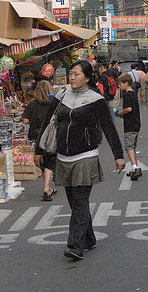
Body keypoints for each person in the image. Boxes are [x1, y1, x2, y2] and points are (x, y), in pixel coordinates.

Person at [35, 61, 125, 261]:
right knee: (75, 203)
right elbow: (47, 124)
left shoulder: (96, 100)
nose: (72, 77)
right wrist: (38, 150)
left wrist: (118, 155)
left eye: (76, 74)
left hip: (86, 157)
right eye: (71, 74)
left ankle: (75, 246)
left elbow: (109, 128)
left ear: (87, 77)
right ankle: (89, 238)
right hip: (63, 157)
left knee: (80, 202)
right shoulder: (61, 97)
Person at [22, 80, 57, 201]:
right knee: (49, 160)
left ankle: (47, 186)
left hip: (36, 134)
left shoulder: (32, 104)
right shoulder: (53, 104)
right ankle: (47, 187)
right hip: (50, 135)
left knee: (42, 160)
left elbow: (25, 120)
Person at [116, 73, 142, 180]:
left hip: (130, 124)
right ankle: (135, 167)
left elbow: (129, 109)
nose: (119, 86)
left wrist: (120, 113)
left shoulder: (126, 95)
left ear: (126, 83)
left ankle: (135, 167)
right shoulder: (133, 94)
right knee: (133, 146)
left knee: (129, 147)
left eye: (120, 84)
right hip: (136, 123)